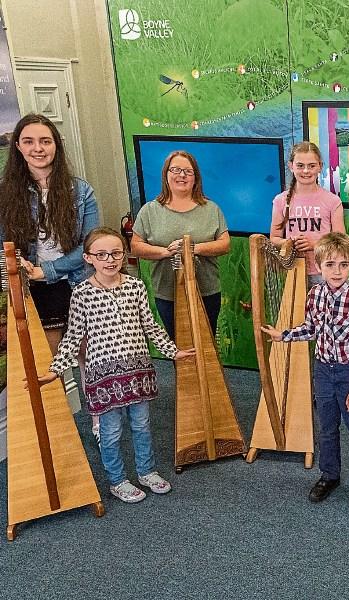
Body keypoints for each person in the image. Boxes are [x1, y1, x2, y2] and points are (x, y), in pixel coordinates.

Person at [37, 227, 195, 503]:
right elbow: (73, 336)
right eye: (101, 254)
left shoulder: (136, 286)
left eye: (115, 253)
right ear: (88, 258)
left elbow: (150, 325)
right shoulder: (82, 294)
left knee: (142, 426)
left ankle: (147, 471)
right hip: (104, 378)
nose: (109, 260)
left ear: (124, 255)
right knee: (110, 432)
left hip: (138, 372)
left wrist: (173, 351)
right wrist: (56, 369)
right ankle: (117, 480)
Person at [0, 113, 100, 437]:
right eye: (29, 141)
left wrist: (48, 270)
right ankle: (56, 433)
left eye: (45, 141)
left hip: (78, 281)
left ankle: (99, 422)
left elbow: (91, 245)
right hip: (33, 290)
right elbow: (3, 245)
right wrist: (20, 264)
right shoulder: (5, 193)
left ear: (56, 145)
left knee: (89, 355)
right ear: (18, 146)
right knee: (48, 363)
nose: (38, 148)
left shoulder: (81, 191)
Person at [262, 232, 349, 511]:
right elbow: (311, 328)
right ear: (319, 265)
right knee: (326, 427)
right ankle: (329, 475)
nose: (336, 271)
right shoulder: (315, 294)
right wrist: (283, 335)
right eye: (330, 265)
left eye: (343, 265)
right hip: (323, 371)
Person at [131, 150, 230, 338]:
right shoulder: (149, 211)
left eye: (188, 171)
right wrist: (165, 252)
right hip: (167, 293)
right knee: (177, 344)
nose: (182, 175)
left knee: (207, 342)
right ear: (166, 175)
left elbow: (225, 244)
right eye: (175, 170)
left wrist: (193, 249)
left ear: (196, 177)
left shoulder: (211, 209)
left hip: (207, 291)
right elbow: (136, 246)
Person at [270, 141, 346, 286]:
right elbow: (274, 238)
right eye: (300, 165)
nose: (306, 171)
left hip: (325, 272)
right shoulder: (280, 200)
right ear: (291, 166)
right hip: (293, 270)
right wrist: (289, 243)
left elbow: (340, 241)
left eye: (311, 166)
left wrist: (315, 244)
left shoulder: (333, 201)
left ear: (320, 167)